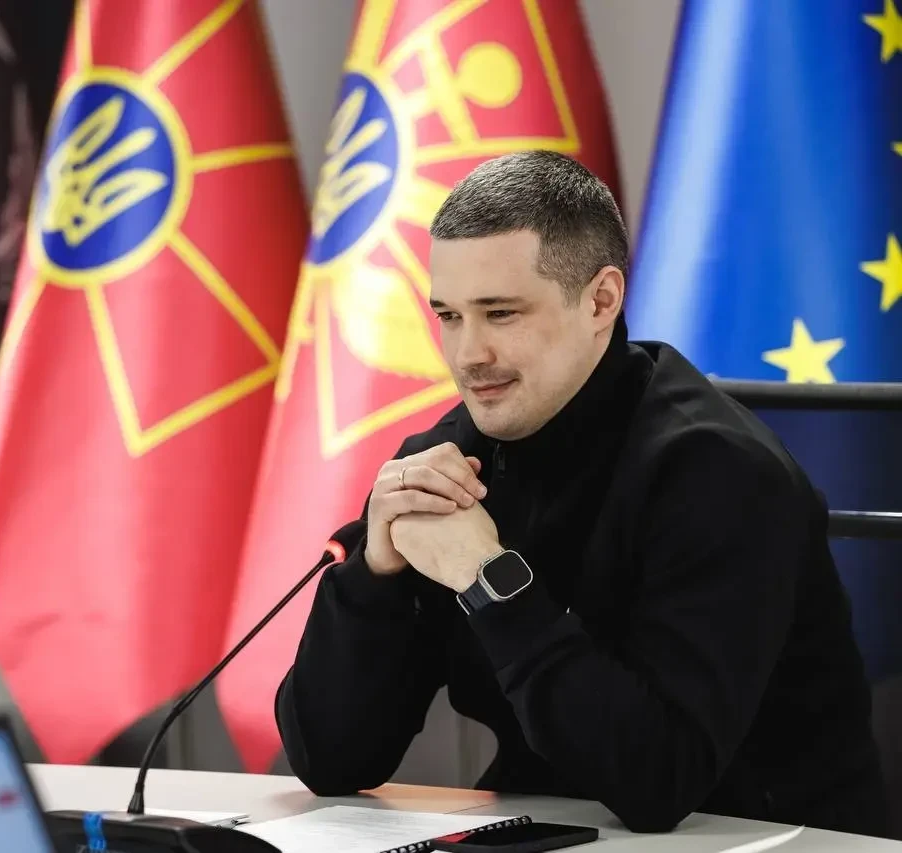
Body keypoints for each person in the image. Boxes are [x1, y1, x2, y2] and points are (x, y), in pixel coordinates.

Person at [275, 150, 887, 837]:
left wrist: (489, 578)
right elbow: (331, 760)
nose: (468, 354)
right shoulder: (448, 459)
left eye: (500, 313)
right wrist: (374, 578)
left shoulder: (721, 473)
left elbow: (660, 778)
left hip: (764, 836)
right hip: (544, 828)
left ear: (601, 301)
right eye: (448, 315)